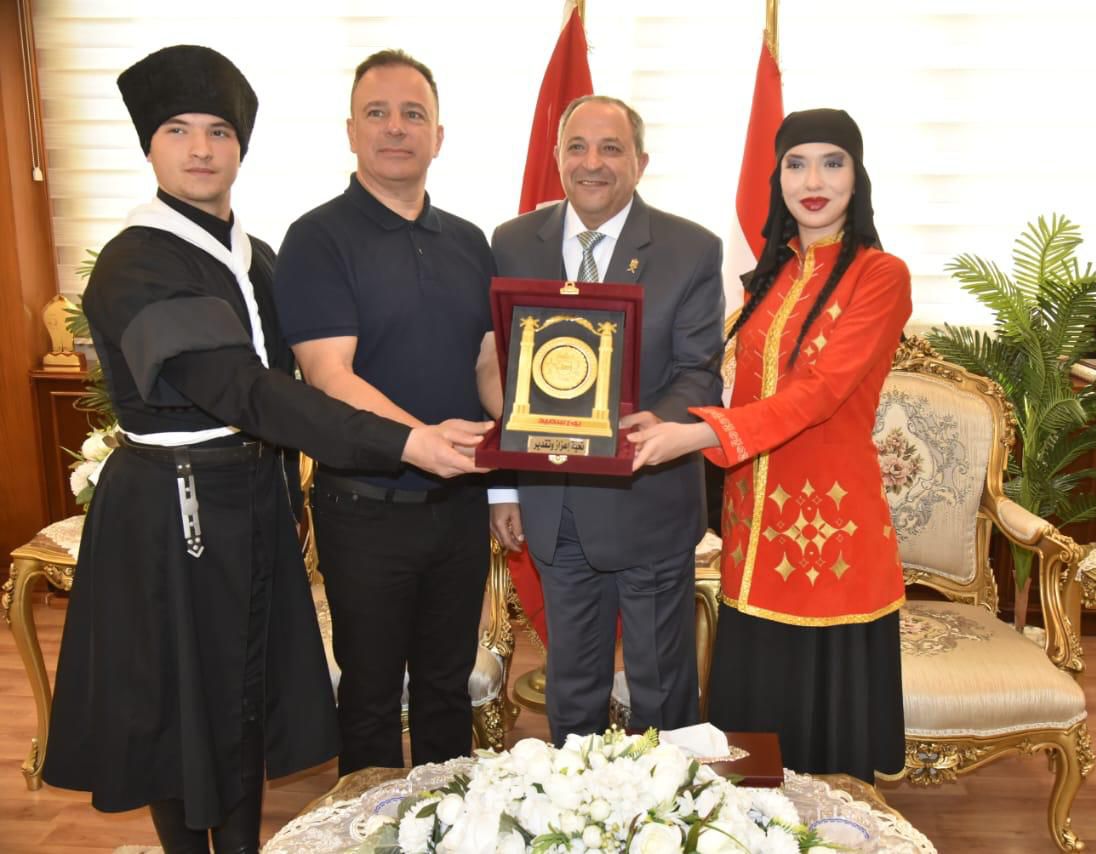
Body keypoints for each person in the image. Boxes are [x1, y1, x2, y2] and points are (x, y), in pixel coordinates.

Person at [42, 44, 490, 853]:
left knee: (244, 699)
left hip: (251, 503)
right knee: (184, 710)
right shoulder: (138, 261)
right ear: (149, 146)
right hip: (173, 510)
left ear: (240, 147)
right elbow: (250, 392)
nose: (201, 149)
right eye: (178, 131)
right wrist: (408, 442)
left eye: (219, 132)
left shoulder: (254, 259)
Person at [627, 108, 910, 781]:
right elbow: (740, 391)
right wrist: (655, 418)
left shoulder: (880, 275)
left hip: (831, 537)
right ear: (777, 177)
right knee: (753, 751)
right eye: (796, 164)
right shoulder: (771, 279)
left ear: (857, 176)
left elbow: (820, 392)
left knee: (825, 751)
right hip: (754, 532)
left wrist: (696, 434)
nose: (813, 181)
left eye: (832, 163)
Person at [272, 49, 496, 775]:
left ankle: (451, 820)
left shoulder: (471, 242)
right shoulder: (317, 238)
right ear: (351, 131)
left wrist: (537, 434)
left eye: (413, 114)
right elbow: (328, 373)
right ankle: (366, 825)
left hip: (460, 507)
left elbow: (487, 364)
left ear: (438, 136)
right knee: (369, 697)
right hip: (366, 509)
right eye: (378, 113)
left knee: (446, 690)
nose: (396, 128)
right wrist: (420, 439)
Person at [481, 95, 725, 745]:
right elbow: (501, 368)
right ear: (556, 157)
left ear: (640, 162)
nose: (592, 163)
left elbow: (699, 375)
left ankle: (665, 806)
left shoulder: (691, 249)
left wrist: (625, 436)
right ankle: (577, 801)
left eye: (611, 148)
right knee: (572, 690)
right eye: (578, 147)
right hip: (555, 505)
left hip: (649, 500)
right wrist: (503, 486)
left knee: (662, 694)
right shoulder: (511, 242)